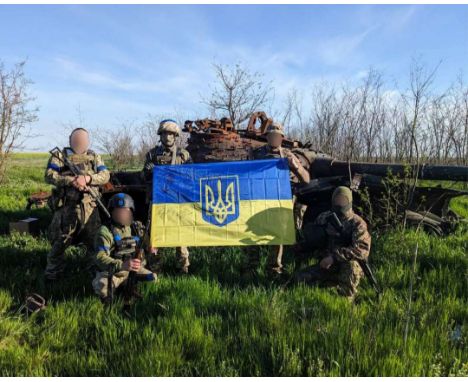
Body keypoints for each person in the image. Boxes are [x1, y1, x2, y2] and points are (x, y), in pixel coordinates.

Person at [243, 122, 310, 277]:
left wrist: (297, 167)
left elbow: (306, 180)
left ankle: (274, 271)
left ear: (281, 138)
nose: (274, 138)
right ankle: (250, 269)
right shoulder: (256, 154)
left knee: (277, 237)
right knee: (252, 235)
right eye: (271, 135)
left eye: (277, 136)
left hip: (279, 204)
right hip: (259, 200)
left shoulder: (287, 155)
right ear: (267, 137)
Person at [44, 128, 110, 281]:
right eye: (77, 139)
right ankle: (52, 275)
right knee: (59, 243)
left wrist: (87, 179)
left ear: (87, 141)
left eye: (83, 139)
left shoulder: (94, 156)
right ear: (70, 140)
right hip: (67, 208)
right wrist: (71, 181)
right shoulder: (60, 156)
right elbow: (49, 175)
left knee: (94, 243)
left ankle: (94, 274)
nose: (80, 142)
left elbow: (105, 175)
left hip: (90, 208)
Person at [294, 186, 371, 299]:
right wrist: (302, 246)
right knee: (300, 279)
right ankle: (329, 284)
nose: (339, 203)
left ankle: (346, 295)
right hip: (327, 265)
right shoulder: (324, 218)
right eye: (337, 199)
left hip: (348, 266)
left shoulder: (358, 223)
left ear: (349, 201)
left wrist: (334, 258)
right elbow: (316, 240)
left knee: (352, 265)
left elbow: (361, 251)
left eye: (343, 199)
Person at [142, 119, 192, 273]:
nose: (167, 137)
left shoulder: (183, 155)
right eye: (165, 133)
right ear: (160, 135)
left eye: (171, 134)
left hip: (177, 200)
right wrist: (148, 171)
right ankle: (156, 267)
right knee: (156, 234)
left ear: (175, 135)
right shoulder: (152, 154)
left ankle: (183, 267)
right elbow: (143, 177)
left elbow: (191, 176)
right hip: (157, 201)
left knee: (180, 234)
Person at [92, 193, 156, 303]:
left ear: (131, 212)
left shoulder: (136, 227)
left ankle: (127, 286)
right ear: (112, 212)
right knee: (102, 288)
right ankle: (120, 287)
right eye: (118, 211)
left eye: (125, 211)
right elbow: (99, 257)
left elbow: (147, 244)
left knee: (152, 280)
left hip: (135, 269)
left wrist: (151, 247)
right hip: (113, 272)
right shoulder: (105, 231)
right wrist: (121, 265)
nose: (122, 215)